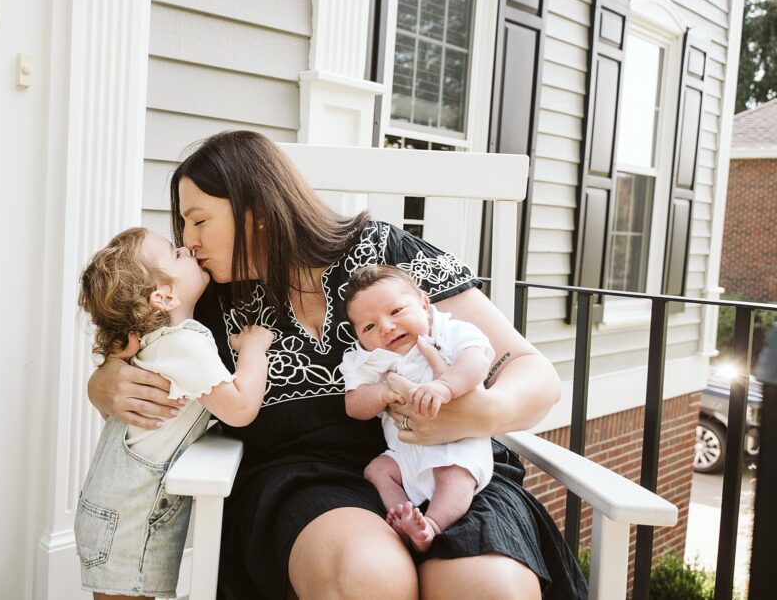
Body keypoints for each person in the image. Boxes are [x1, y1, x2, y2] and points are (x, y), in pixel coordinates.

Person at [88, 131, 588, 600]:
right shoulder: (213, 299)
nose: (189, 241)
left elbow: (530, 371)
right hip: (305, 481)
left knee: (488, 588)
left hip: (447, 464)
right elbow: (135, 343)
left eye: (198, 220)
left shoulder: (383, 253)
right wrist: (104, 381)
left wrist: (483, 414)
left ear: (255, 211)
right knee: (367, 575)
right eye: (183, 227)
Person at [74, 226, 273, 600]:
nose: (186, 247)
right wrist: (254, 348)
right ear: (163, 296)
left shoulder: (159, 343)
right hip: (129, 520)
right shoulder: (183, 343)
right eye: (175, 253)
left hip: (114, 513)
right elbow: (241, 408)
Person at [340, 264, 494, 553]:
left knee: (454, 475)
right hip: (405, 454)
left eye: (396, 311)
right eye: (369, 327)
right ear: (359, 336)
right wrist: (383, 393)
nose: (386, 327)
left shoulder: (447, 331)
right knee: (377, 470)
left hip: (455, 444)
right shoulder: (367, 359)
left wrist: (445, 386)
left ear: (424, 304)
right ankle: (402, 514)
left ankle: (431, 526)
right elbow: (354, 405)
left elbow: (476, 361)